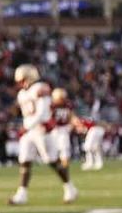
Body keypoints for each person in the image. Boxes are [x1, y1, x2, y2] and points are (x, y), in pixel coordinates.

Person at [9, 65, 77, 204]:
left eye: (22, 79)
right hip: (30, 131)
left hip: (42, 130)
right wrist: (26, 126)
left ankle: (69, 187)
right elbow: (25, 114)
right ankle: (22, 194)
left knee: (52, 161)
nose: (20, 83)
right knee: (24, 160)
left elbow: (42, 113)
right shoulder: (22, 94)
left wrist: (27, 126)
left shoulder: (40, 88)